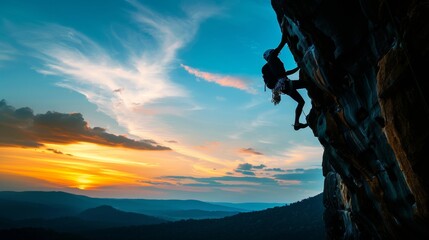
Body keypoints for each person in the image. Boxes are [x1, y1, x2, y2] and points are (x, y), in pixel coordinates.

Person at [262, 49, 308, 131]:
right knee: (307, 83)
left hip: (283, 87)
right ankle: (296, 123)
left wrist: (298, 67)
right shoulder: (272, 64)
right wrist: (299, 67)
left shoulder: (268, 67)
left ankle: (296, 123)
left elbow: (284, 74)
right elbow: (284, 74)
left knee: (301, 102)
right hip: (285, 85)